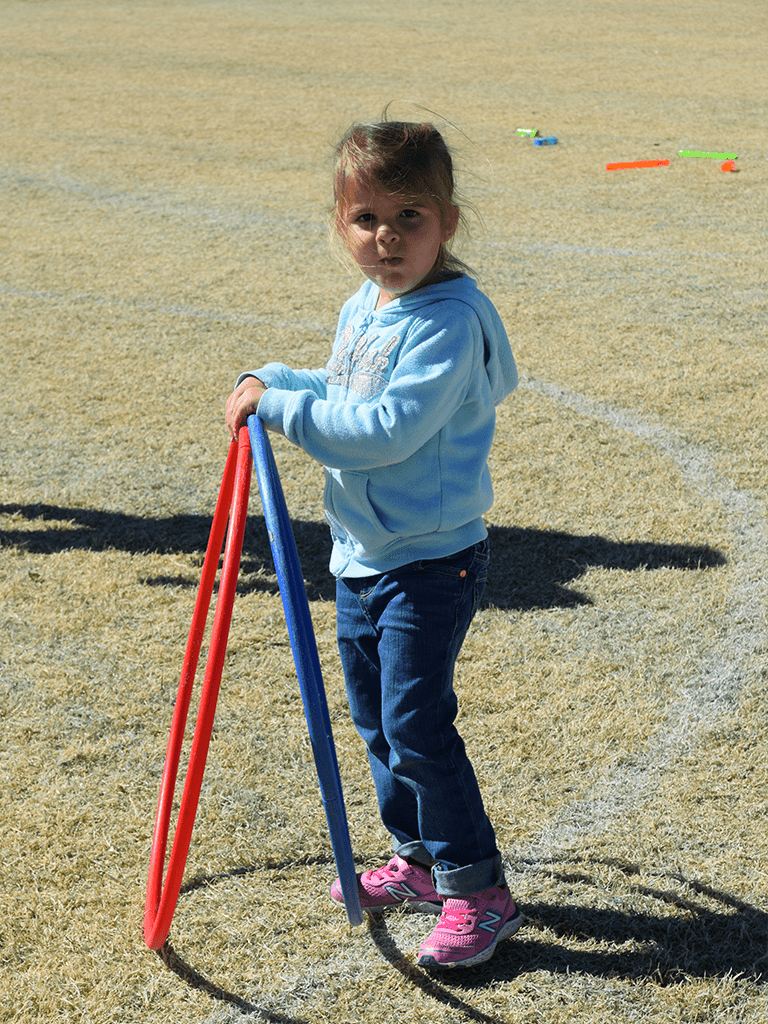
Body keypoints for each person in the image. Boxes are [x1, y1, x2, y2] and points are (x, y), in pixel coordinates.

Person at [225, 117, 520, 968]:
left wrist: (282, 411)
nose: (387, 240)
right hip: (362, 553)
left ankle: (480, 889)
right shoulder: (373, 302)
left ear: (448, 224)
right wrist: (277, 379)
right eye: (367, 220)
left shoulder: (447, 322)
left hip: (429, 560)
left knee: (417, 725)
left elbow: (383, 429)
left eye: (410, 219)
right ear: (340, 221)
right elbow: (344, 385)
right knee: (377, 723)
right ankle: (422, 861)